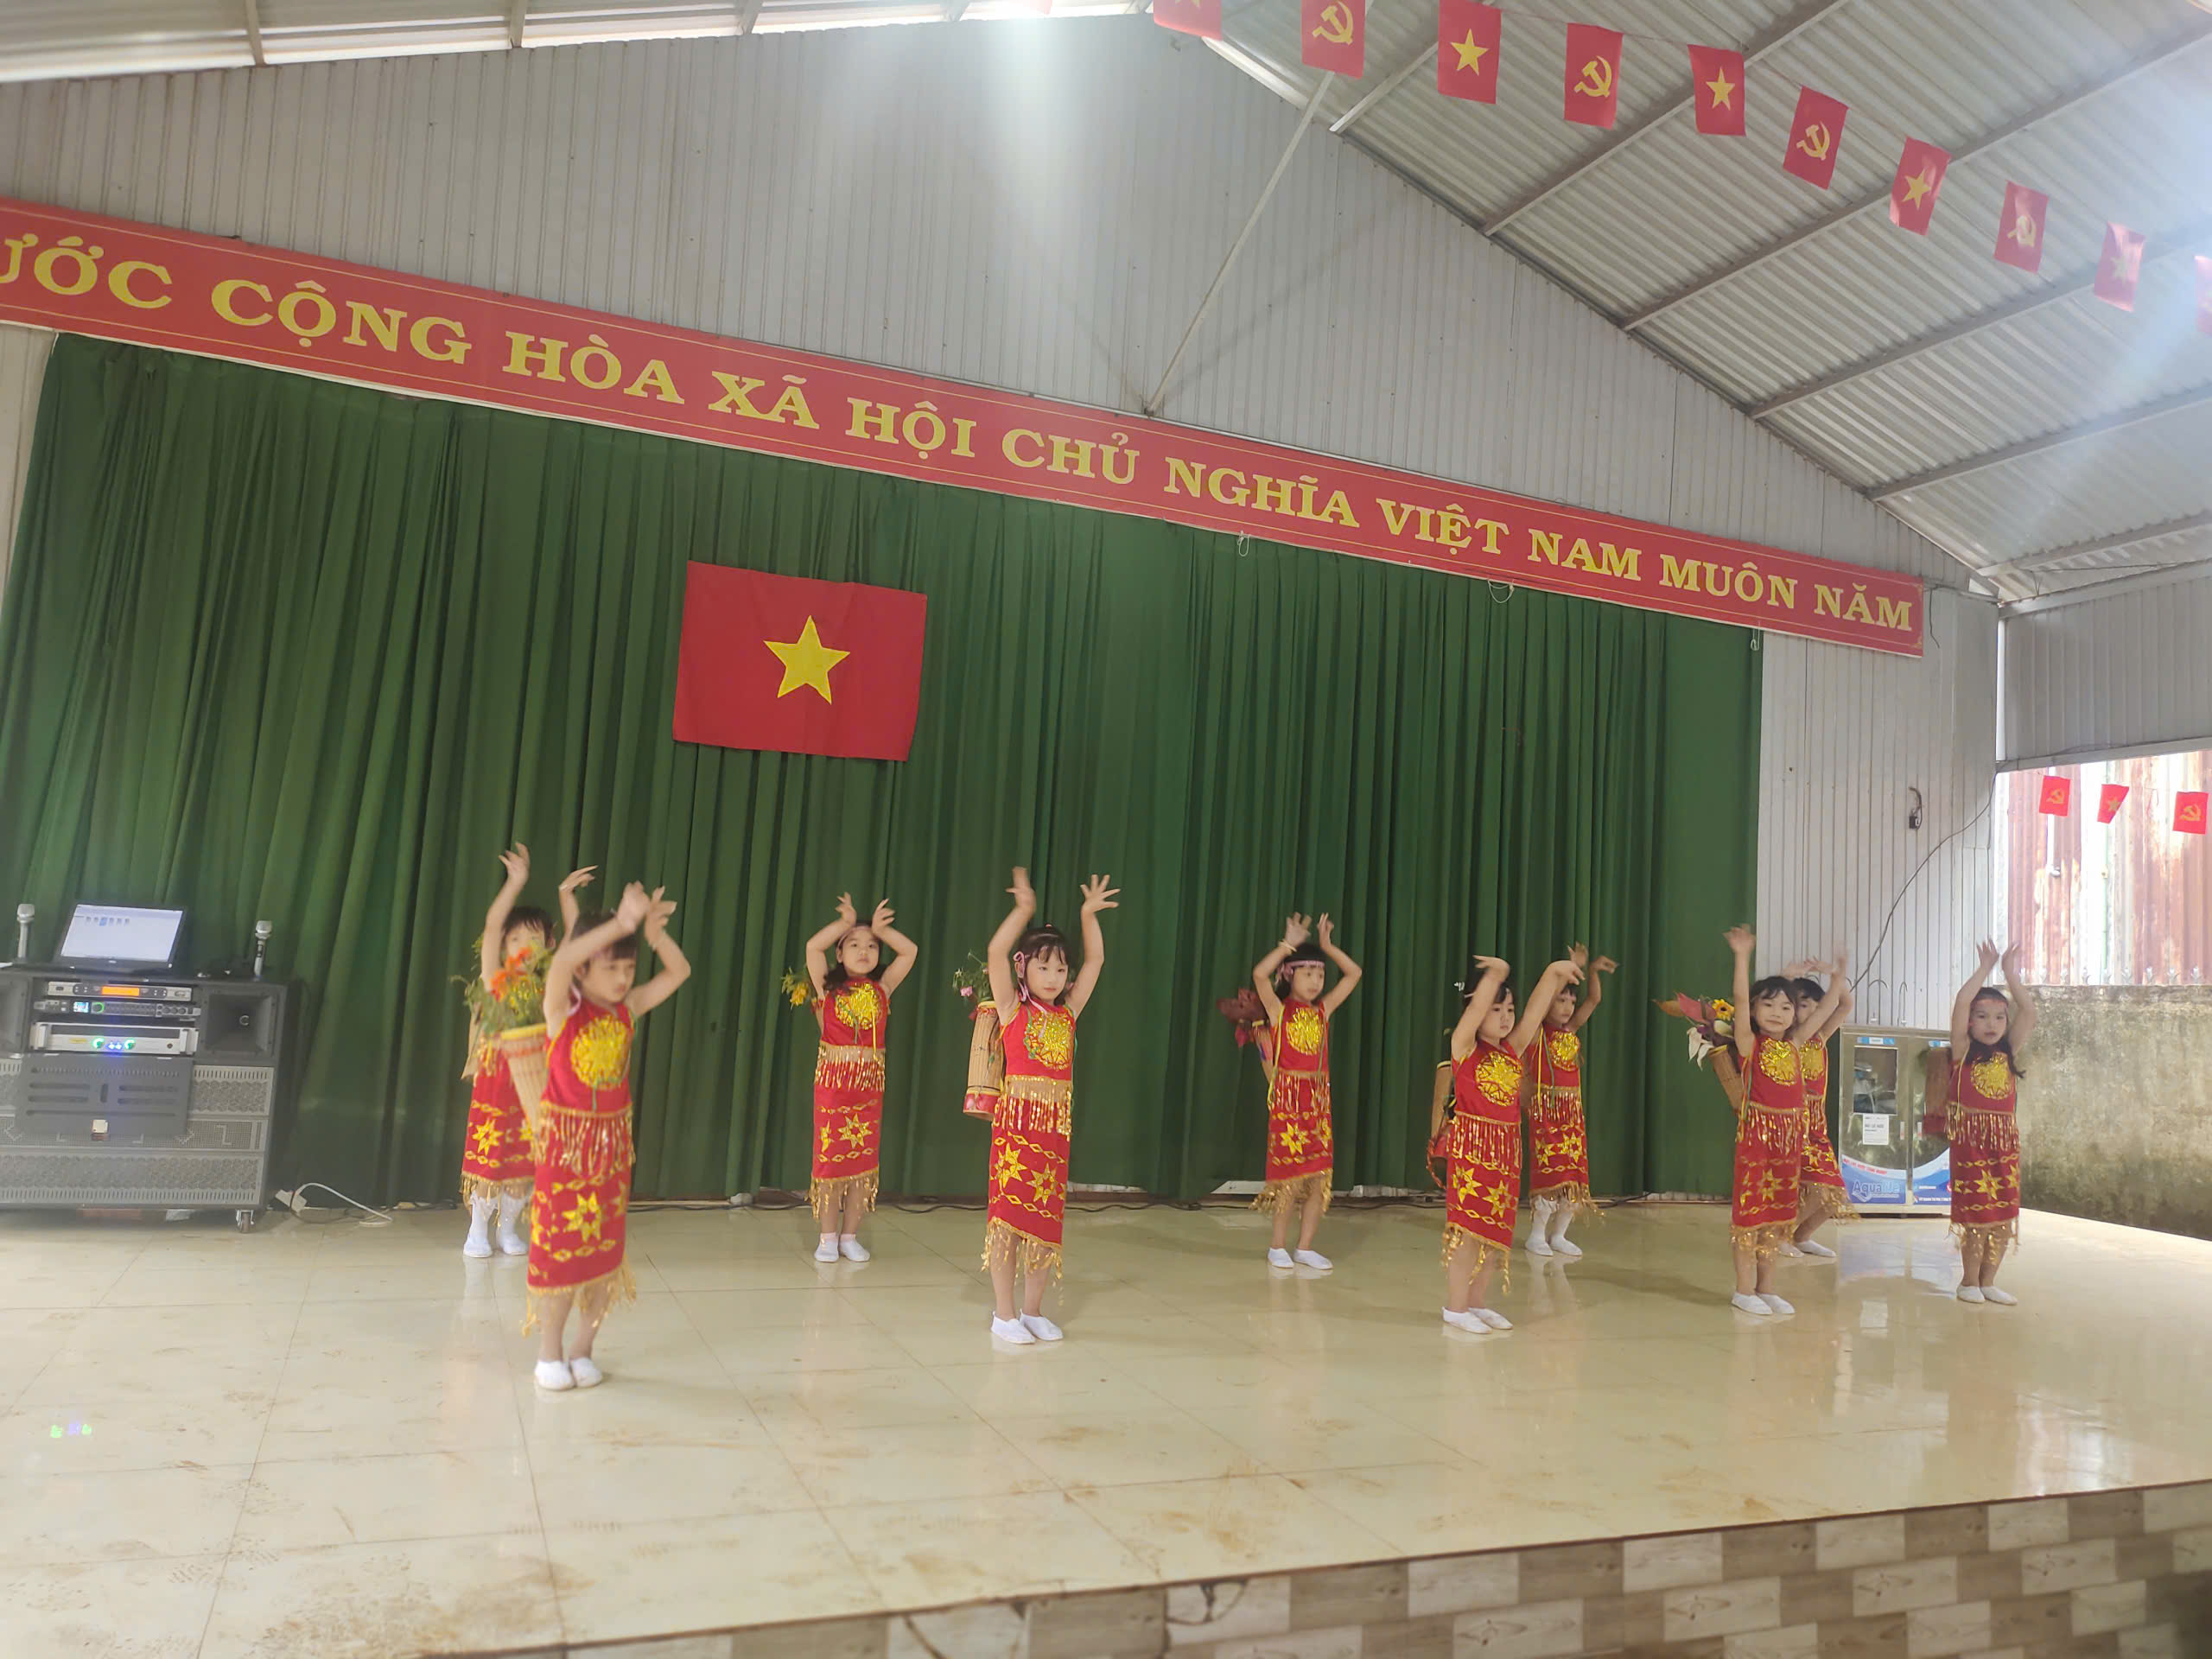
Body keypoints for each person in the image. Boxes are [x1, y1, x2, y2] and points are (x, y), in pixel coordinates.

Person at [526, 882, 690, 1390]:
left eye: (629, 968)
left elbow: (679, 973)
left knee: (603, 1256)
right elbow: (559, 962)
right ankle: (549, 1354)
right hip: (565, 1153)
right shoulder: (562, 1009)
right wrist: (620, 924)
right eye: (610, 968)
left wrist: (655, 936)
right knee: (562, 1255)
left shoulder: (628, 1008)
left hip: (611, 1154)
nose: (623, 979)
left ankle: (583, 1350)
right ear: (582, 969)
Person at [982, 867, 1116, 1346]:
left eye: (1061, 969)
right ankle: (1003, 1314)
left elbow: (1096, 960)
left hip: (1055, 1132)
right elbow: (995, 952)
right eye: (1044, 968)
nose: (1055, 977)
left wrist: (1088, 916)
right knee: (1007, 1221)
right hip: (1016, 1128)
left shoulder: (1069, 1013)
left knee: (1044, 1220)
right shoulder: (1011, 1009)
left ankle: (1033, 1310)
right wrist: (1023, 911)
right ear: (1023, 969)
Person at [1438, 952, 1583, 1333]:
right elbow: (1476, 1011)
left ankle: (1477, 1302)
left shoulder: (1512, 1050)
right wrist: (1495, 976)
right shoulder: (1464, 1047)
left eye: (1509, 1009)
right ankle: (1456, 1307)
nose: (1505, 1017)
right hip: (1473, 1158)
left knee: (1495, 1235)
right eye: (1495, 1009)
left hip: (1505, 1158)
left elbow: (1534, 1013)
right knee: (1469, 1234)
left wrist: (1552, 973)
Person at [461, 844, 591, 1259]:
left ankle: (508, 1229)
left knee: (528, 1159)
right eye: (515, 938)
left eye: (534, 939)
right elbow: (492, 925)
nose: (523, 946)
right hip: (496, 1082)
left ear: (548, 944)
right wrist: (515, 882)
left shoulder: (552, 983)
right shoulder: (494, 978)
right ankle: (478, 1229)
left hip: (537, 1083)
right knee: (492, 1155)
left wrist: (566, 897)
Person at [1724, 928, 1843, 1317]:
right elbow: (1739, 999)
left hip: (1789, 1143)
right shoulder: (1750, 1044)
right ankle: (1744, 1291)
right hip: (1758, 1141)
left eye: (1786, 1006)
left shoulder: (1796, 1044)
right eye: (1769, 1005)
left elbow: (1826, 1009)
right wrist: (1742, 956)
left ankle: (1767, 1289)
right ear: (1754, 1012)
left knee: (1777, 1217)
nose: (1777, 1012)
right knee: (1752, 1217)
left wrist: (1838, 975)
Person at [802, 893, 918, 1262]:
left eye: (871, 945)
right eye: (854, 944)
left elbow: (910, 952)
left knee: (861, 1166)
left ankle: (849, 1236)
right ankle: (827, 1238)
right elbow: (812, 947)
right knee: (830, 1163)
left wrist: (883, 930)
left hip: (868, 1091)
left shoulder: (883, 988)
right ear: (839, 954)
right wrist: (844, 923)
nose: (864, 951)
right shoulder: (827, 987)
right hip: (833, 1089)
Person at [1249, 912, 1363, 1270]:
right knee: (1289, 1179)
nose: (1316, 981)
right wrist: (1288, 945)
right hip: (1288, 1100)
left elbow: (1354, 974)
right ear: (1289, 974)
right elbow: (1259, 975)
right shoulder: (1278, 1011)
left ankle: (1306, 1247)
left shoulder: (1323, 1011)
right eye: (1308, 973)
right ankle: (1278, 1246)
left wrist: (1328, 946)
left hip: (1317, 1101)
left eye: (1320, 974)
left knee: (1318, 1177)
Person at [1948, 942, 2035, 1306]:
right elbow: (1961, 1002)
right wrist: (1985, 968)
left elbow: (2028, 1011)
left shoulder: (2009, 1050)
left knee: (2003, 1215)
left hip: (2005, 1143)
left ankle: (1989, 1282)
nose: (1991, 1024)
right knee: (1977, 1215)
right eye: (1982, 1016)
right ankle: (1968, 1281)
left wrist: (2010, 973)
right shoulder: (1962, 1050)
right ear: (1970, 1022)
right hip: (1971, 1142)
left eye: (1999, 1018)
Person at [1526, 944, 1616, 1261]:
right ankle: (1536, 1235)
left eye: (1570, 1001)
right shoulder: (1535, 1033)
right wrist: (1566, 968)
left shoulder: (1571, 1031)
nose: (1567, 1007)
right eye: (1560, 1000)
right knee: (1551, 1174)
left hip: (1572, 1115)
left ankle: (1559, 1235)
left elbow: (1594, 1000)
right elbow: (1539, 1003)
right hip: (1546, 1114)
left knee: (1574, 1176)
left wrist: (1591, 972)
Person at [1785, 962, 1858, 1260]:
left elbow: (1845, 1004)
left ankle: (1801, 1237)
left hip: (1816, 1127)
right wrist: (1787, 977)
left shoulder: (1821, 1038)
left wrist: (1836, 975)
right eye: (1805, 1006)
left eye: (1818, 1007)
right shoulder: (1785, 1042)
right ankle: (1779, 1235)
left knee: (1835, 1193)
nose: (1814, 1013)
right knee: (1815, 1188)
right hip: (1791, 1125)